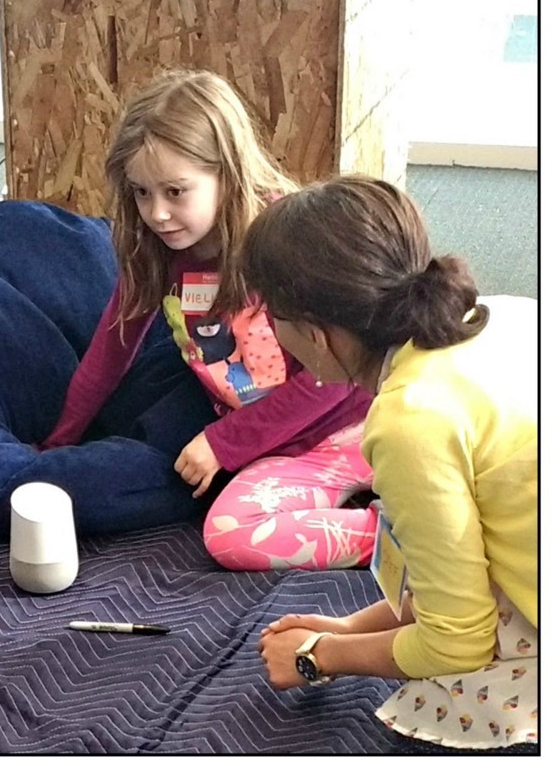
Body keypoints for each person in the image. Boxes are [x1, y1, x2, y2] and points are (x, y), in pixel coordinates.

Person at [42, 69, 376, 571]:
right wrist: (56, 442)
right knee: (223, 528)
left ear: (228, 173)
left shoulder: (289, 240)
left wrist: (226, 442)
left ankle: (397, 540)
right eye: (140, 193)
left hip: (350, 426)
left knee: (231, 532)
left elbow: (337, 376)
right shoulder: (152, 249)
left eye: (176, 192)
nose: (156, 213)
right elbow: (109, 352)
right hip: (273, 447)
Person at [247, 175, 537, 749]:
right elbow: (482, 551)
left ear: (314, 334)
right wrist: (354, 627)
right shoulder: (505, 314)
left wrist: (320, 657)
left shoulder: (411, 420)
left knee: (449, 702)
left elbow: (458, 643)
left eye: (270, 315)